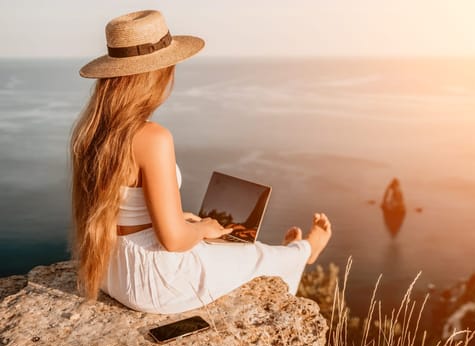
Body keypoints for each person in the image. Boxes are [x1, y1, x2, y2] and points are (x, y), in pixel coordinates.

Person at [69, 9, 332, 314]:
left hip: (109, 272)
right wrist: (202, 228)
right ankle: (306, 251)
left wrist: (181, 217)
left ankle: (290, 252)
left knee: (220, 240)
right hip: (152, 282)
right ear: (156, 74)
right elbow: (174, 241)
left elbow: (123, 209)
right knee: (254, 255)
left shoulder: (92, 133)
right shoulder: (153, 138)